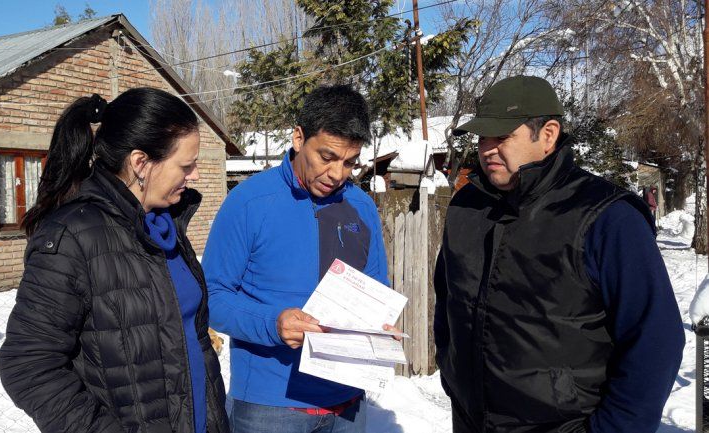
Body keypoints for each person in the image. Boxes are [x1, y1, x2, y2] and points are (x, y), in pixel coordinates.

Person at [433, 75, 684, 433]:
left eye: (501, 137)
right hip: (471, 422)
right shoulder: (466, 206)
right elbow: (449, 300)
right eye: (482, 137)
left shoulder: (607, 217)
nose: (487, 149)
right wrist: (452, 370)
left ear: (548, 134)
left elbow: (655, 340)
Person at [0, 88, 229, 433]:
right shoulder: (74, 235)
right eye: (186, 165)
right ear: (140, 163)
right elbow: (28, 364)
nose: (194, 175)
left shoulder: (166, 225)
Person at [202, 85, 388, 433]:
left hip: (348, 405)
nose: (338, 174)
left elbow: (376, 290)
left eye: (350, 162)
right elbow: (210, 297)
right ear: (299, 138)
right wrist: (273, 323)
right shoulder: (249, 202)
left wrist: (380, 326)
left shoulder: (362, 207)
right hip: (269, 407)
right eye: (327, 157)